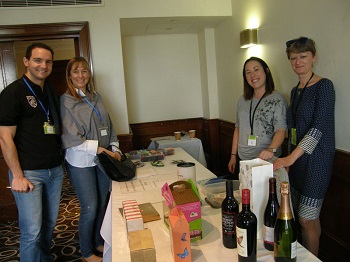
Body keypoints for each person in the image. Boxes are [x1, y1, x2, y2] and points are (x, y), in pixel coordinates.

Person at [0, 43, 64, 261]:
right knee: (32, 232)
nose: (43, 66)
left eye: (48, 61)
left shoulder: (49, 91)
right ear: (26, 62)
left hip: (54, 171)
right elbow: (4, 137)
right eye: (37, 60)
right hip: (28, 173)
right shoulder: (13, 93)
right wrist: (17, 176)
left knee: (48, 225)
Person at [273, 37, 335, 256]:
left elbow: (317, 129)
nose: (298, 62)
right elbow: (292, 130)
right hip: (298, 161)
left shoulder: (325, 86)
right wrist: (289, 158)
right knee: (308, 217)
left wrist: (290, 158)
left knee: (306, 217)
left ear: (313, 57)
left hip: (317, 160)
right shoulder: (295, 90)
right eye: (293, 58)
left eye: (303, 56)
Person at [60, 57, 121, 262]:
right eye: (76, 71)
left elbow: (109, 124)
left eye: (84, 71)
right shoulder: (66, 100)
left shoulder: (96, 96)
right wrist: (103, 150)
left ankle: (96, 241)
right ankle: (86, 252)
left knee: (103, 202)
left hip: (102, 160)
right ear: (69, 75)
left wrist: (115, 146)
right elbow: (71, 138)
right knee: (90, 207)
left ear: (89, 74)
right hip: (80, 161)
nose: (80, 75)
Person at [228, 57, 287, 176]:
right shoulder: (242, 100)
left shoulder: (277, 99)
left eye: (256, 70)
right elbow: (238, 128)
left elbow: (281, 129)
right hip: (243, 159)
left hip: (266, 161)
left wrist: (271, 149)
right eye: (248, 72)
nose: (252, 75)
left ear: (266, 71)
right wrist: (233, 155)